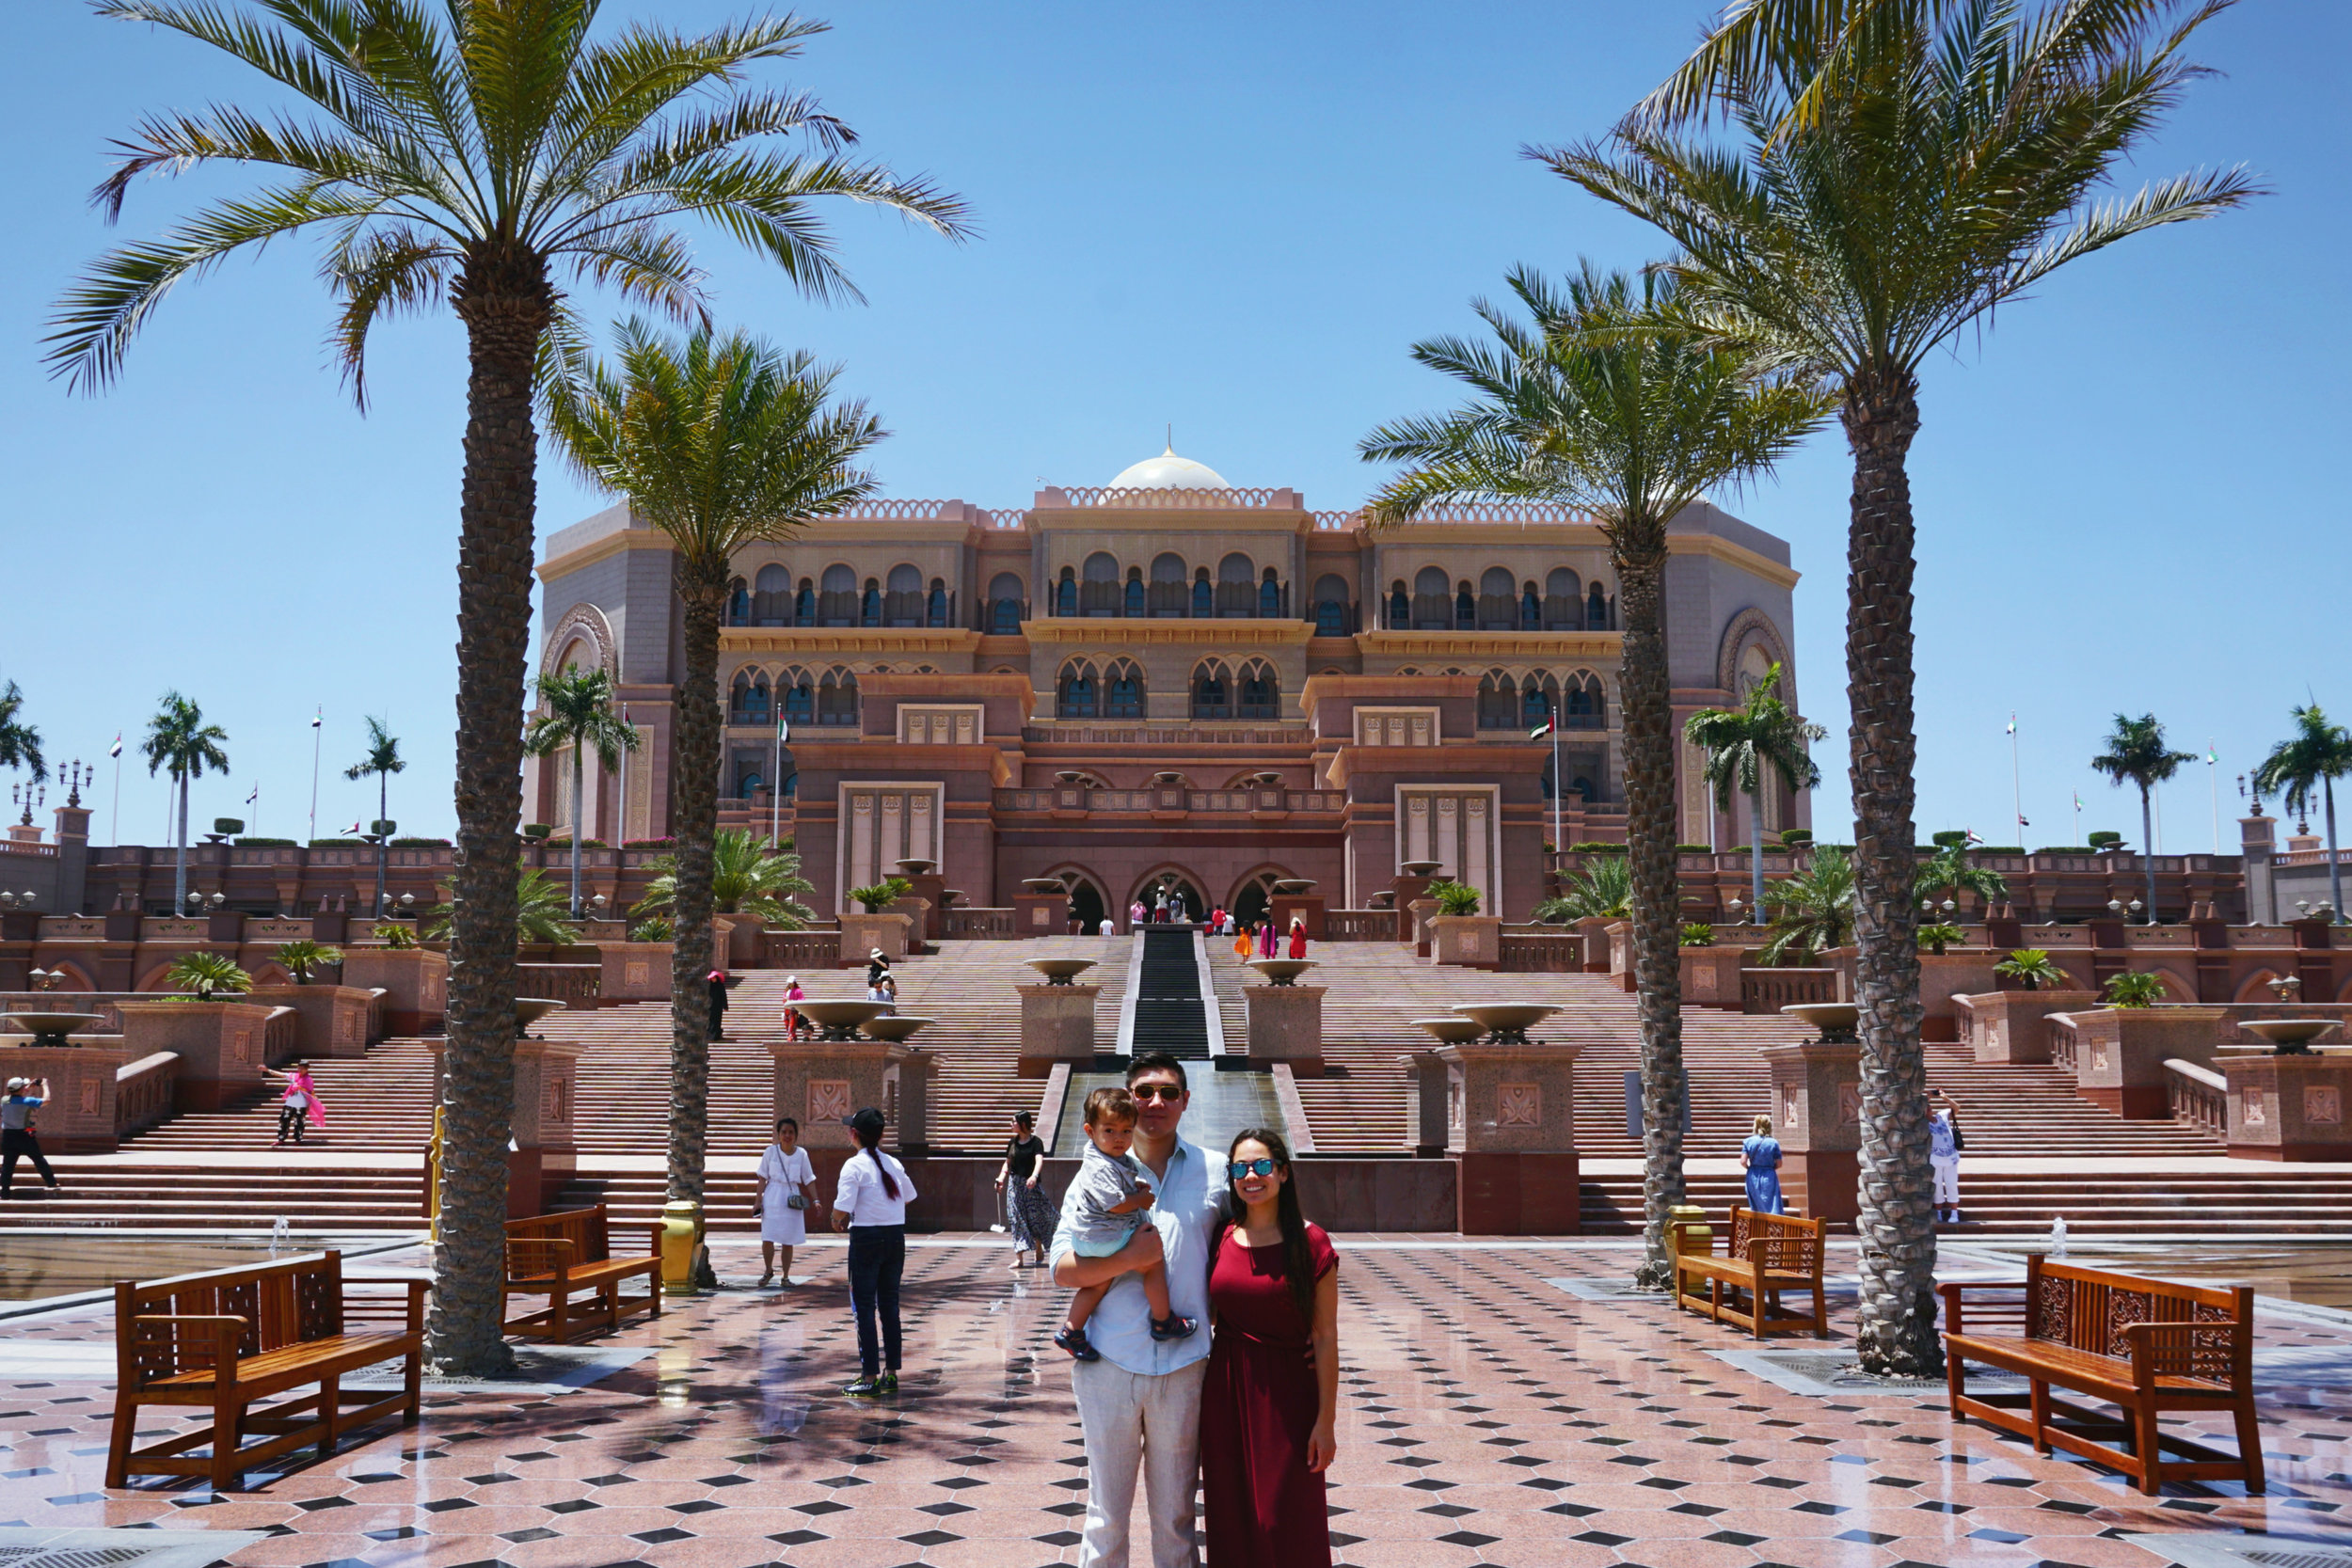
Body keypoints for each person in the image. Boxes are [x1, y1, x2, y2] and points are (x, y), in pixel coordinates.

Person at [1050, 1052, 1220, 1568]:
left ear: (1186, 1101)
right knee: (1106, 1517)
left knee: (1176, 1519)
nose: (1155, 1102)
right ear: (1125, 1100)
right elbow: (1062, 1267)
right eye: (1144, 1091)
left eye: (1169, 1092)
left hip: (1184, 1366)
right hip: (1108, 1363)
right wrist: (1129, 1258)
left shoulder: (1215, 1171)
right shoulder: (1093, 1173)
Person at [1201, 1128, 1339, 1568]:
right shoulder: (1223, 1235)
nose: (1250, 1176)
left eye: (1261, 1165)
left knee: (1281, 1520)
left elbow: (1325, 1336)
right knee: (1231, 1515)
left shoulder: (1311, 1241)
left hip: (1288, 1395)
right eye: (1239, 1168)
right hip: (1226, 1390)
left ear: (1282, 1172)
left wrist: (1326, 1421)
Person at [1053, 1086, 1198, 1360]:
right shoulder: (1100, 1166)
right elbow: (1116, 1203)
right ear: (1089, 1131)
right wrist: (1141, 1199)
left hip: (1092, 1239)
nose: (1119, 1138)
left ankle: (1072, 1330)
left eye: (1126, 1131)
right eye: (1109, 1131)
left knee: (1098, 1282)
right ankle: (1163, 1321)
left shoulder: (1111, 1158)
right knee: (1152, 1261)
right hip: (1104, 1236)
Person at [833, 1106, 916, 1397]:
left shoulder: (853, 1166)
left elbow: (842, 1207)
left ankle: (869, 1375)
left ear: (855, 1134)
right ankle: (891, 1373)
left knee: (864, 1307)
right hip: (895, 1237)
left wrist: (835, 1220)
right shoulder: (893, 1163)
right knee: (890, 1305)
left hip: (866, 1239)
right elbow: (909, 1196)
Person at [754, 1117, 818, 1288]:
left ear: (796, 1135)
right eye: (784, 1132)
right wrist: (758, 1201)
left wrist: (816, 1199)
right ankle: (768, 1270)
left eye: (791, 1132)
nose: (787, 1136)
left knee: (787, 1239)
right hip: (772, 1196)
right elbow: (762, 1178)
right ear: (778, 1134)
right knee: (768, 1237)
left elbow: (809, 1179)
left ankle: (786, 1275)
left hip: (792, 1199)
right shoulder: (770, 1152)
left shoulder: (802, 1154)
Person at [996, 1110, 1054, 1271]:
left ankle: (1038, 1245)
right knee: (1016, 1220)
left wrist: (1034, 1176)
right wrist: (1001, 1178)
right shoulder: (1013, 1143)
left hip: (1031, 1187)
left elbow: (1039, 1161)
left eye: (1013, 1121)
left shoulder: (1036, 1142)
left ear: (1022, 1124)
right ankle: (1019, 1258)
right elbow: (1007, 1163)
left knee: (1035, 1218)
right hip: (1015, 1186)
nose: (1011, 1124)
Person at [1, 1078, 59, 1199]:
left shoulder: (4, 1100)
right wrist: (45, 1085)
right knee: (38, 1159)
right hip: (24, 1136)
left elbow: (16, 1097)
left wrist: (26, 1087)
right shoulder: (27, 1101)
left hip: (8, 1136)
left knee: (8, 1165)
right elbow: (47, 1100)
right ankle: (51, 1182)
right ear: (21, 1089)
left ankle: (5, 1192)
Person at [264, 1063, 326, 1146]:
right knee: (284, 1120)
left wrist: (309, 1105)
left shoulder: (308, 1080)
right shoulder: (293, 1076)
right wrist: (268, 1070)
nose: (300, 1070)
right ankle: (281, 1138)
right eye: (299, 1068)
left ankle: (298, 1139)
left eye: (302, 1068)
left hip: (301, 1104)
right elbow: (282, 1074)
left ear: (306, 1069)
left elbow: (311, 1094)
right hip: (290, 1103)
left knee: (299, 1122)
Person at [1931, 1090, 1964, 1225]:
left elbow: (1956, 1108)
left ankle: (1954, 1213)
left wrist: (1945, 1097)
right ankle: (1938, 1212)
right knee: (1937, 1185)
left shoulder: (1942, 1115)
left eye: (1929, 1106)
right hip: (1935, 1158)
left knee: (1951, 1184)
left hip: (1951, 1157)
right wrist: (1927, 1096)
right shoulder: (1922, 1123)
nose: (1929, 1107)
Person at [1740, 1114, 1784, 1215]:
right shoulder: (1773, 1142)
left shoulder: (1748, 1141)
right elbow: (1779, 1163)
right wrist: (1770, 1168)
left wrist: (1749, 1168)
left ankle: (1759, 1227)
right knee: (1772, 1204)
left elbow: (1743, 1161)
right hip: (1769, 1174)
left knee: (1756, 1205)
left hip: (1753, 1174)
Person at [781, 975, 810, 1042]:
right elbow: (783, 999)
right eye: (789, 983)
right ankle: (793, 1036)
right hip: (786, 1010)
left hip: (793, 1010)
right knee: (787, 1024)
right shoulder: (787, 990)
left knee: (792, 1024)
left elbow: (802, 999)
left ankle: (790, 1036)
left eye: (791, 983)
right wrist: (785, 1000)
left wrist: (793, 1001)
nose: (790, 984)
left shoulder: (798, 990)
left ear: (794, 983)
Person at [707, 969, 731, 1043]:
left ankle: (716, 1036)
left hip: (718, 1006)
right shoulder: (709, 986)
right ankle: (710, 1036)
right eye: (712, 978)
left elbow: (724, 996)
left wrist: (725, 1006)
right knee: (711, 1021)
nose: (713, 979)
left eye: (714, 978)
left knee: (717, 1021)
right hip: (710, 1006)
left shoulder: (720, 986)